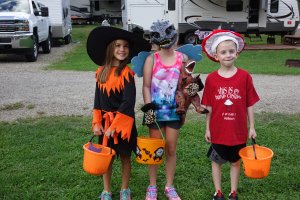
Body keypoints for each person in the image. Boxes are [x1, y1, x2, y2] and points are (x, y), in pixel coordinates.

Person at [86, 26, 151, 200]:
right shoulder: (101, 73)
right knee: (105, 158)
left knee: (124, 157)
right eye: (117, 46)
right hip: (105, 125)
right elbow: (97, 101)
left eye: (125, 46)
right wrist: (98, 123)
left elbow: (128, 103)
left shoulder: (127, 74)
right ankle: (106, 190)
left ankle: (124, 189)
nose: (122, 49)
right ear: (110, 49)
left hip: (123, 125)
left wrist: (114, 127)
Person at [201, 29, 260, 200]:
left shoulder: (244, 77)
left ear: (237, 53)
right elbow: (209, 107)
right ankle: (218, 192)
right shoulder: (211, 79)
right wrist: (207, 129)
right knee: (216, 161)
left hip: (238, 131)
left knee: (235, 162)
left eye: (231, 51)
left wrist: (252, 127)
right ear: (216, 56)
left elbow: (249, 104)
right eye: (223, 52)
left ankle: (233, 192)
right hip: (218, 130)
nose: (228, 55)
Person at [141, 19, 190, 200]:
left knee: (170, 148)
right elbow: (146, 86)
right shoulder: (151, 60)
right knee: (154, 150)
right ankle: (152, 186)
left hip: (174, 113)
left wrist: (187, 100)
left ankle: (169, 186)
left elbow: (187, 85)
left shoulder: (182, 59)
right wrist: (149, 110)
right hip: (155, 113)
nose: (168, 46)